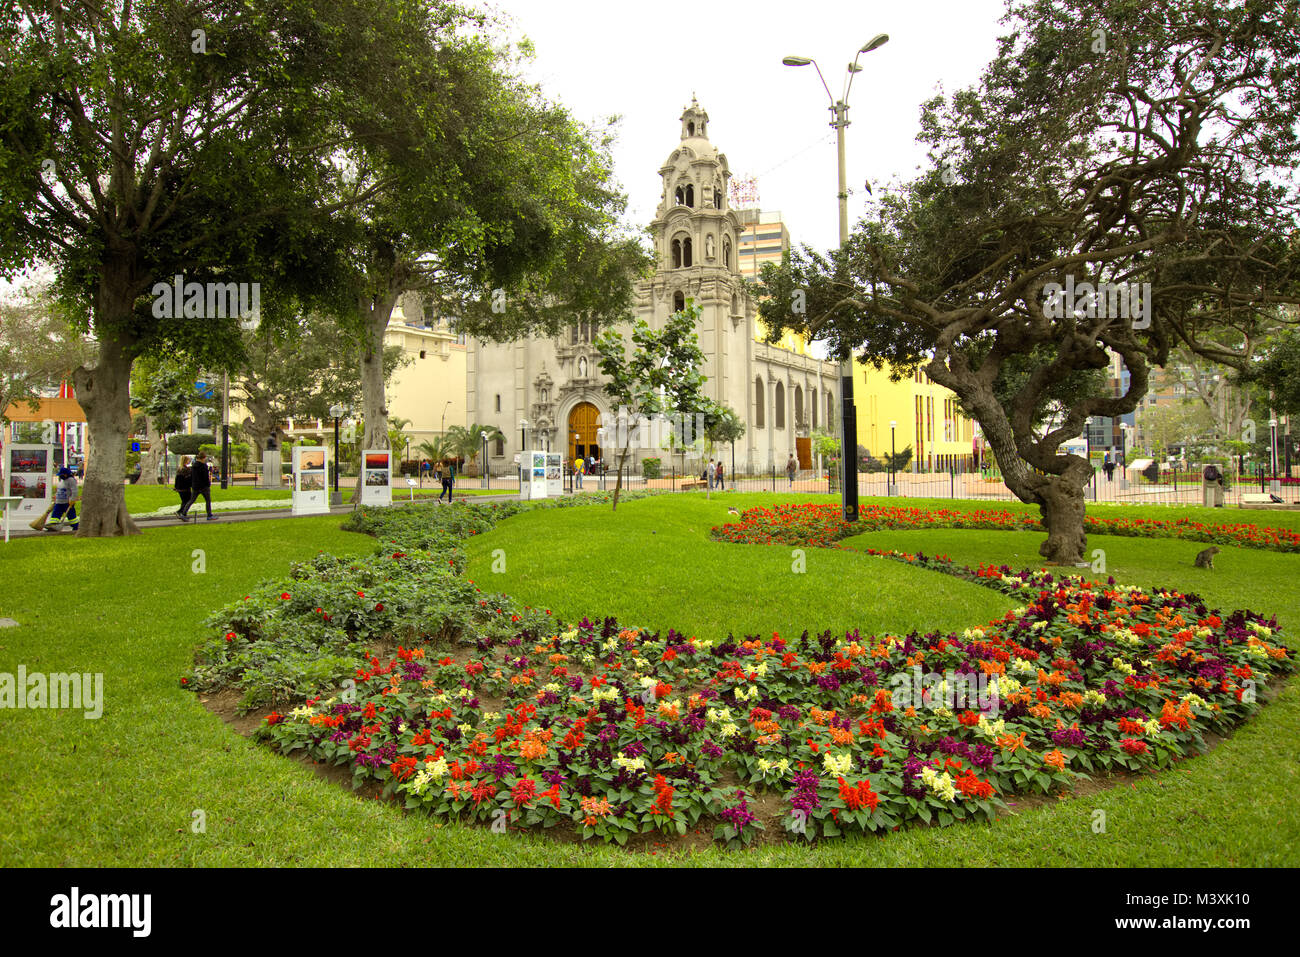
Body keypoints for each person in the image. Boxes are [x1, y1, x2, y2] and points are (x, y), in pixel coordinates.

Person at [179, 451, 214, 521]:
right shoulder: (203, 466)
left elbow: (192, 476)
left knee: (191, 500)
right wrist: (208, 484)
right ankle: (209, 515)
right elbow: (205, 477)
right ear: (203, 458)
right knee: (208, 500)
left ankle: (183, 513)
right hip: (204, 486)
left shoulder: (194, 466)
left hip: (195, 486)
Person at [46, 466, 79, 531]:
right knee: (55, 515)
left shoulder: (71, 480)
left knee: (71, 516)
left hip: (67, 502)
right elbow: (59, 489)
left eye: (61, 475)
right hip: (59, 502)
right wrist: (56, 497)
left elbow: (74, 491)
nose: (60, 476)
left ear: (66, 474)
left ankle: (76, 527)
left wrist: (72, 499)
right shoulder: (62, 480)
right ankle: (53, 526)